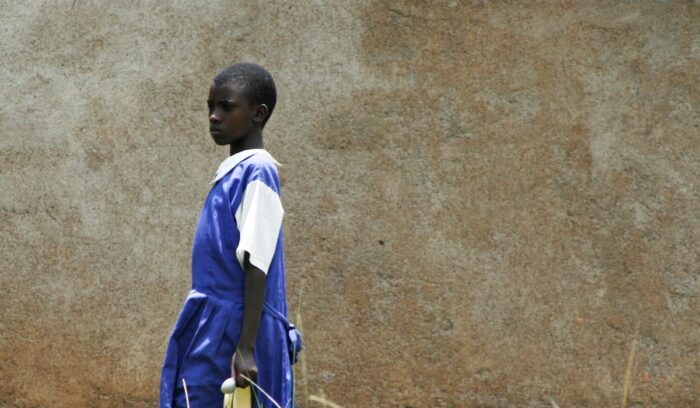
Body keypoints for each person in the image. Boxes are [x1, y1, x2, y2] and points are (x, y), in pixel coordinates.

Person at [159, 62, 294, 408]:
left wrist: (247, 347)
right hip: (213, 324)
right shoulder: (233, 173)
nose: (214, 117)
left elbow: (256, 262)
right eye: (210, 107)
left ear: (258, 114)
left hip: (235, 330)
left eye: (226, 107)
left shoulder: (258, 171)